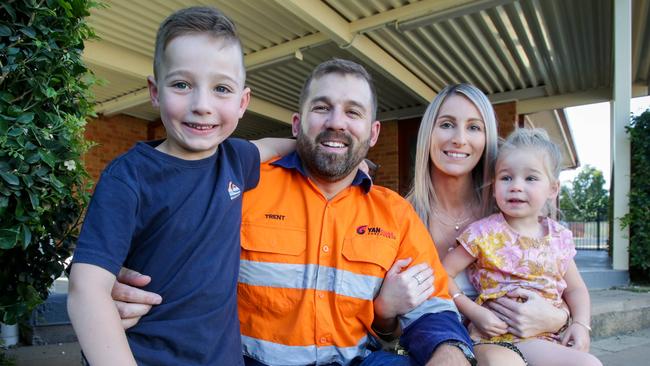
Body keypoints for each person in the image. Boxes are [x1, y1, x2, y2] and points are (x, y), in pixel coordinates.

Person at [111, 59, 475, 365]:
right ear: (297, 124)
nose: (336, 122)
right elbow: (171, 244)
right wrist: (122, 279)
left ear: (373, 132)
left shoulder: (394, 213)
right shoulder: (243, 187)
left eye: (353, 112)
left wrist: (450, 354)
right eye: (321, 108)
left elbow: (433, 310)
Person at [67, 7, 293, 366]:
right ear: (155, 92)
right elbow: (86, 291)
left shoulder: (235, 159)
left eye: (221, 88)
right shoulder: (129, 178)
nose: (201, 105)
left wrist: (317, 148)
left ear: (242, 102)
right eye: (182, 85)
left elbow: (269, 147)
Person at [385, 84, 571, 365]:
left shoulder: (510, 211)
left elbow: (556, 280)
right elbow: (388, 326)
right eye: (447, 124)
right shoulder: (401, 216)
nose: (460, 139)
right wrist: (386, 311)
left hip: (525, 347)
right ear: (428, 134)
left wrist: (560, 318)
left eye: (474, 127)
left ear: (488, 139)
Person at [443, 128, 601, 365]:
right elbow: (442, 272)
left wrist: (581, 324)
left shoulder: (559, 238)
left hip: (546, 338)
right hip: (493, 337)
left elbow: (576, 289)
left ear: (552, 189)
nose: (516, 186)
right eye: (506, 177)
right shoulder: (483, 232)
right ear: (494, 185)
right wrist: (472, 311)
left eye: (530, 178)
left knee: (589, 363)